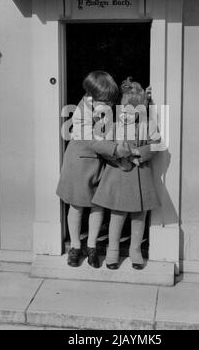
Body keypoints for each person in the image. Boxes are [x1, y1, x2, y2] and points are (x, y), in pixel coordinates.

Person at [56, 71, 131, 269]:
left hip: (98, 163)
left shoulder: (102, 108)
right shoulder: (81, 113)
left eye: (110, 102)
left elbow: (107, 134)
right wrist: (116, 150)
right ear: (90, 97)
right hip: (79, 165)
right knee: (77, 205)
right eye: (104, 101)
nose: (109, 106)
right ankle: (74, 246)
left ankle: (92, 247)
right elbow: (92, 141)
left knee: (97, 206)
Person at [92, 77, 161, 270]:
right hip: (119, 174)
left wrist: (140, 152)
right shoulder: (114, 126)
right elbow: (103, 145)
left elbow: (157, 144)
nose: (127, 115)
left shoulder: (146, 126)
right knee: (117, 213)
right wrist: (117, 153)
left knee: (139, 215)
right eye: (125, 109)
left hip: (140, 175)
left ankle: (135, 250)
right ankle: (112, 250)